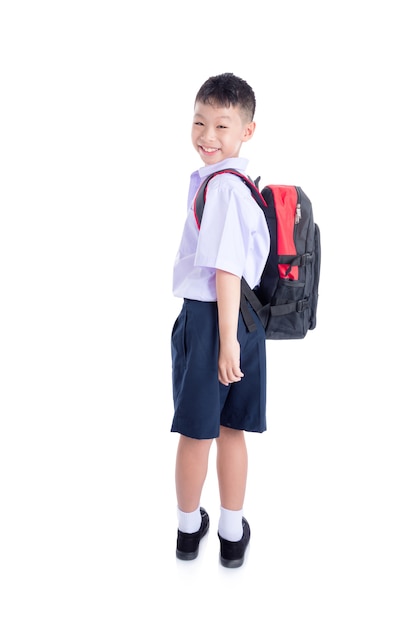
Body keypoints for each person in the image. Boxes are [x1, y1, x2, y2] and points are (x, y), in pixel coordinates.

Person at [171, 73, 270, 568]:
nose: (207, 136)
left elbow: (225, 268)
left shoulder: (224, 188)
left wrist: (224, 341)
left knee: (197, 432)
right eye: (199, 122)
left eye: (222, 126)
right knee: (232, 429)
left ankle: (190, 533)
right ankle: (232, 536)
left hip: (217, 322)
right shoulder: (236, 182)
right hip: (245, 321)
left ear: (246, 131)